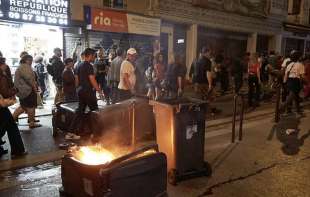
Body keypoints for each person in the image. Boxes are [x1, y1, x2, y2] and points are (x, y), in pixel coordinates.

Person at [69, 48, 102, 136]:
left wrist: (78, 89)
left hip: (81, 91)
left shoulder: (78, 65)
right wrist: (99, 91)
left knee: (80, 111)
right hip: (88, 92)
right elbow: (92, 79)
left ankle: (71, 132)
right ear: (90, 56)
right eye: (94, 56)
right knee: (95, 112)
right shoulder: (89, 66)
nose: (95, 57)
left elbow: (76, 80)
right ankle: (96, 133)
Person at [0, 57, 27, 157]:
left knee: (9, 126)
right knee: (11, 127)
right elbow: (5, 92)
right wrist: (15, 90)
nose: (6, 65)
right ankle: (18, 151)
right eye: (4, 63)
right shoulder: (2, 76)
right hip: (1, 107)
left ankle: (18, 150)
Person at [13, 54, 41, 128]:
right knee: (30, 107)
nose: (32, 62)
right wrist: (35, 88)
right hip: (27, 91)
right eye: (30, 60)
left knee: (23, 107)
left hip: (23, 91)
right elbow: (29, 79)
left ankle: (11, 120)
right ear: (26, 60)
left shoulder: (22, 66)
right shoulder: (25, 67)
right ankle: (31, 123)